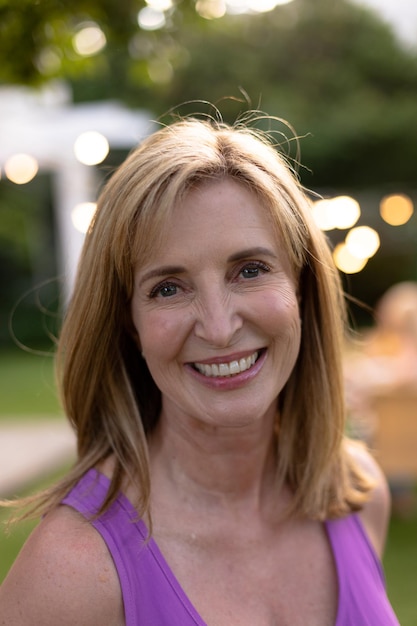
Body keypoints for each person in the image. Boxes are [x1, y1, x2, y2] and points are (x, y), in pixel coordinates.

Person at [0, 116, 400, 625]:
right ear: (129, 324)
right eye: (168, 287)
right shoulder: (72, 574)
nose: (217, 327)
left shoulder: (357, 495)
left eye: (250, 270)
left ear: (302, 285)